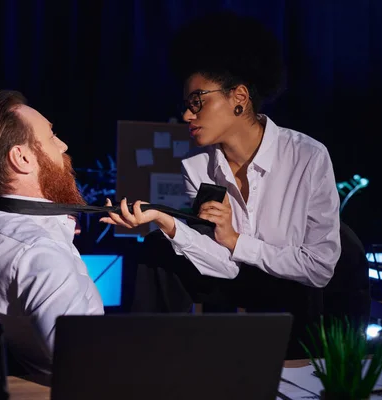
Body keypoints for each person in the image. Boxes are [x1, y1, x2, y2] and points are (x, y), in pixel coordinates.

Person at [100, 11, 341, 357]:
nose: (187, 115)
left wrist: (236, 240)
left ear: (239, 98)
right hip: (226, 281)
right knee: (156, 248)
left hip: (293, 291)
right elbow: (224, 266)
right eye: (186, 105)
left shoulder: (307, 157)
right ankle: (147, 361)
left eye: (197, 102)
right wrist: (166, 222)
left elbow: (319, 269)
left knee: (297, 291)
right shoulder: (197, 167)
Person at [0, 90, 104, 384]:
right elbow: (85, 365)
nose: (64, 145)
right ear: (22, 157)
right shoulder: (41, 255)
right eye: (52, 136)